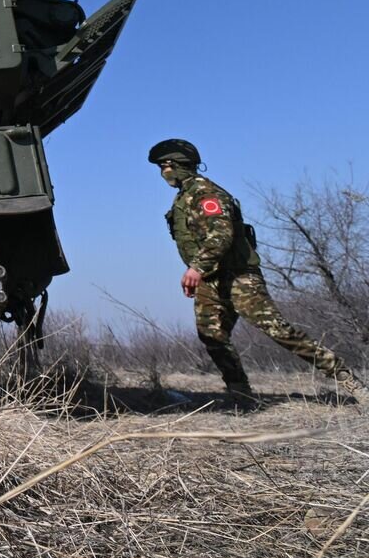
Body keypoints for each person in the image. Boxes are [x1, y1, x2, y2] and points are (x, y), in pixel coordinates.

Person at [148, 138, 367, 405]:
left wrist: (196, 267)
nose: (163, 173)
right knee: (212, 336)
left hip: (239, 277)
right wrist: (199, 273)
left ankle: (347, 379)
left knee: (279, 331)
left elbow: (222, 234)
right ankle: (240, 394)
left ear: (177, 165)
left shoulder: (205, 194)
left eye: (165, 166)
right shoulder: (183, 197)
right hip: (210, 280)